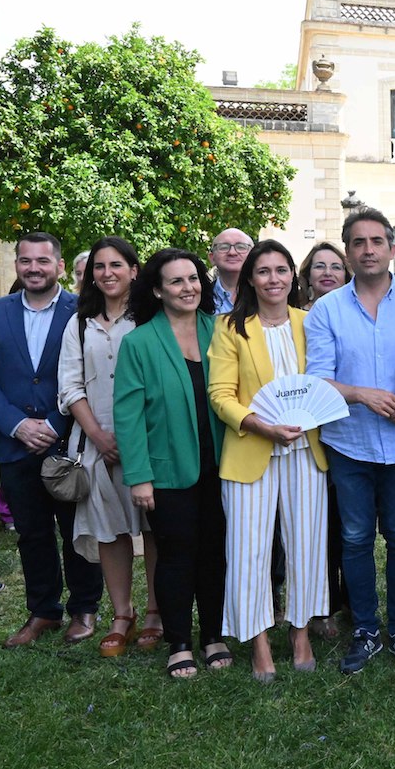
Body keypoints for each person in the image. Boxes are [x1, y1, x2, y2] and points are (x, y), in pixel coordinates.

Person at [306, 205, 395, 674]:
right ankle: (365, 629)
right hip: (349, 442)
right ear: (348, 250)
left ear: (393, 248)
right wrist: (362, 395)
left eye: (378, 241)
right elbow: (318, 380)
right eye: (359, 242)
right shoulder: (327, 309)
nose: (369, 249)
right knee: (355, 539)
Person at [0, 232, 105, 648]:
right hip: (14, 444)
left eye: (43, 261)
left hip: (67, 439)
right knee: (31, 533)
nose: (34, 268)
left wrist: (53, 422)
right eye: (26, 261)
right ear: (17, 264)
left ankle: (85, 607)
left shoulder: (82, 310)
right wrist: (16, 425)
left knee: (77, 529)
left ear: (60, 266)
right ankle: (42, 610)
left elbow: (90, 376)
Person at [208, 240, 330, 682]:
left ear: (292, 276)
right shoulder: (229, 327)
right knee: (248, 550)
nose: (273, 279)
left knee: (306, 546)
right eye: (264, 271)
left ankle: (300, 634)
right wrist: (260, 425)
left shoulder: (310, 321)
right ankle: (258, 642)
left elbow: (325, 382)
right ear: (250, 279)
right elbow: (220, 395)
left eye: (281, 270)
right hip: (251, 451)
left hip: (305, 451)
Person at [114, 248, 230, 678]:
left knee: (215, 554)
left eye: (194, 278)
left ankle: (213, 635)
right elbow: (128, 418)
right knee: (178, 554)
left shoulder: (220, 331)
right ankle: (179, 640)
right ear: (158, 290)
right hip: (167, 471)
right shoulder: (139, 342)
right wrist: (140, 477)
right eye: (177, 281)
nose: (188, 288)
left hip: (223, 465)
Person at [59, 237, 164, 657]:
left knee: (155, 529)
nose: (107, 273)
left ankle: (156, 611)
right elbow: (69, 386)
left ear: (134, 271)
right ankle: (123, 614)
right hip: (96, 444)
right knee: (110, 531)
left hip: (151, 441)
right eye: (99, 266)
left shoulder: (152, 319)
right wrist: (100, 437)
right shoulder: (80, 323)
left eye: (116, 265)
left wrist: (134, 439)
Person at [298, 240, 351, 640]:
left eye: (336, 266)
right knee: (320, 529)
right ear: (307, 277)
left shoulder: (350, 315)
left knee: (347, 525)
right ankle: (322, 606)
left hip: (344, 433)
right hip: (302, 438)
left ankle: (348, 600)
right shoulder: (295, 321)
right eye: (319, 267)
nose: (328, 272)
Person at [209, 228, 255, 315]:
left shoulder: (265, 295)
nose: (232, 253)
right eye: (223, 247)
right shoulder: (200, 299)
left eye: (241, 247)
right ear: (212, 258)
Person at [300, 241, 351, 308]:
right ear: (308, 275)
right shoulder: (295, 316)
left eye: (336, 267)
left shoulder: (359, 313)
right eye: (319, 266)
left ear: (346, 276)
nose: (327, 273)